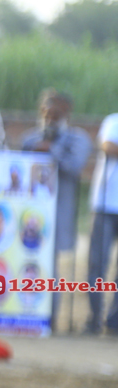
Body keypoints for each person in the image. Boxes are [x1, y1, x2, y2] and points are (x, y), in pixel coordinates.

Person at [20, 89, 91, 328]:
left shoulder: (78, 139)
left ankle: (48, 319)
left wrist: (51, 151)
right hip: (29, 216)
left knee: (49, 267)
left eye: (56, 114)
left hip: (58, 213)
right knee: (26, 264)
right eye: (46, 113)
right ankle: (24, 313)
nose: (50, 118)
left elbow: (75, 166)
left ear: (67, 113)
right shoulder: (29, 139)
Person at [86, 111, 118, 335]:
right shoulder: (114, 120)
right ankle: (94, 317)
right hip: (106, 204)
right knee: (97, 264)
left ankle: (114, 321)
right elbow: (108, 146)